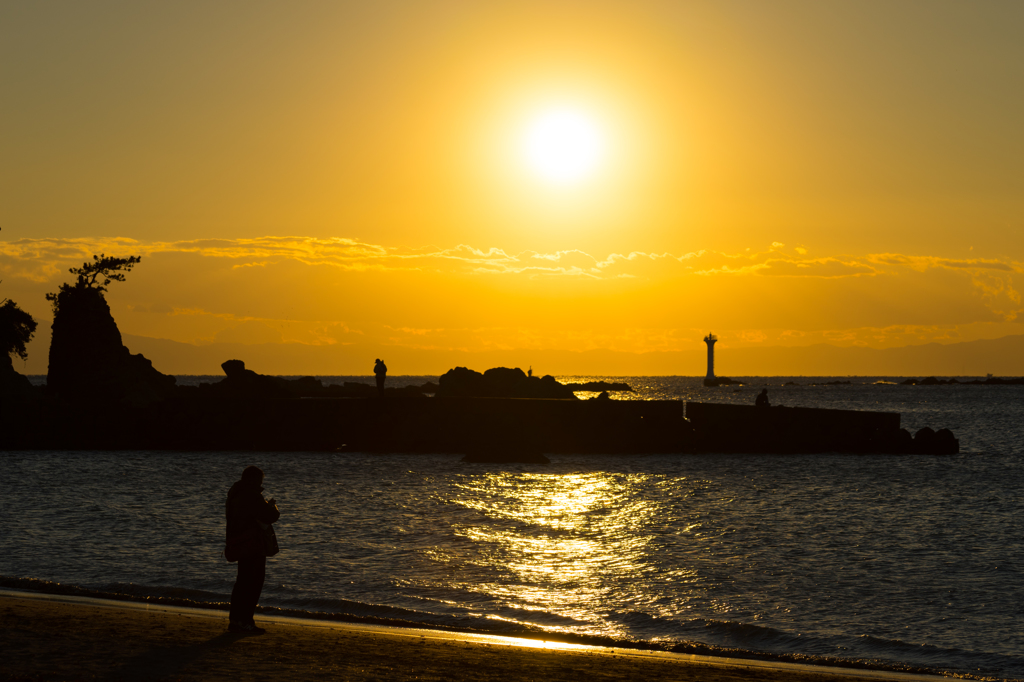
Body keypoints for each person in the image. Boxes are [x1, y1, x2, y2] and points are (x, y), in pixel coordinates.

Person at [225, 465, 280, 634]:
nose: (260, 483)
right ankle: (245, 621)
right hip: (253, 544)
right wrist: (271, 506)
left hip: (240, 542)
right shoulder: (251, 495)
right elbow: (271, 516)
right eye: (260, 480)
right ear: (255, 479)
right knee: (253, 583)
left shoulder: (235, 493)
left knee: (242, 582)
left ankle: (235, 620)